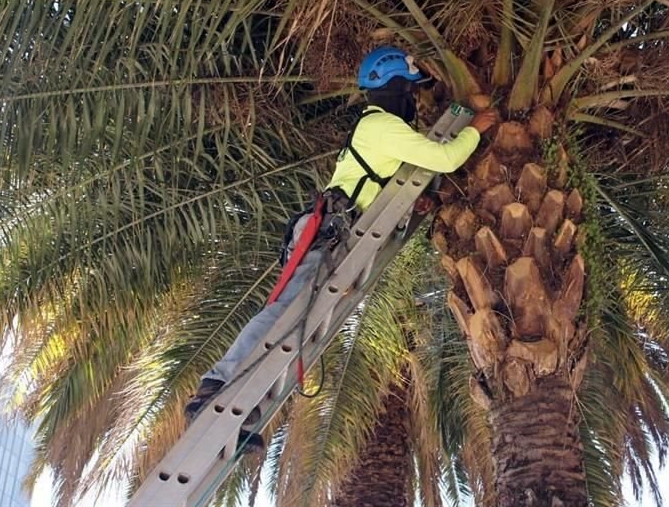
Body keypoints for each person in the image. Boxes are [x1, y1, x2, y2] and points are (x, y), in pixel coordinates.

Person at [184, 45, 498, 451]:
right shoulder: (380, 126)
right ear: (396, 87)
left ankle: (241, 412)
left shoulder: (382, 130)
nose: (413, 99)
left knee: (295, 323)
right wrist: (478, 125)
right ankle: (216, 387)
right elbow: (445, 157)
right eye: (410, 90)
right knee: (283, 314)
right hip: (327, 233)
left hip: (335, 233)